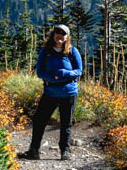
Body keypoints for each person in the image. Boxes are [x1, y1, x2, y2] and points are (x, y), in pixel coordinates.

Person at [19, 24, 82, 160]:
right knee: (39, 120)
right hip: (50, 92)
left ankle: (65, 151)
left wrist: (65, 73)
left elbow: (79, 71)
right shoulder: (46, 52)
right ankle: (34, 151)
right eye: (57, 33)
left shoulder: (72, 51)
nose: (60, 35)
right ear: (53, 35)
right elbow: (40, 72)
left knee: (66, 123)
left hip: (69, 92)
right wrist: (52, 77)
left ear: (67, 37)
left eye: (63, 33)